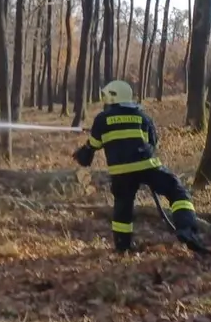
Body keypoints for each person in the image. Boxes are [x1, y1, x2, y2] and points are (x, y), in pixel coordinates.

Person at [72, 80, 199, 253]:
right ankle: (187, 228)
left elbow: (92, 147)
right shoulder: (142, 116)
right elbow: (153, 142)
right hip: (148, 166)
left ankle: (122, 247)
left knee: (123, 206)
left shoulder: (102, 119)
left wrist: (81, 154)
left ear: (111, 97)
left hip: (121, 173)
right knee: (176, 191)